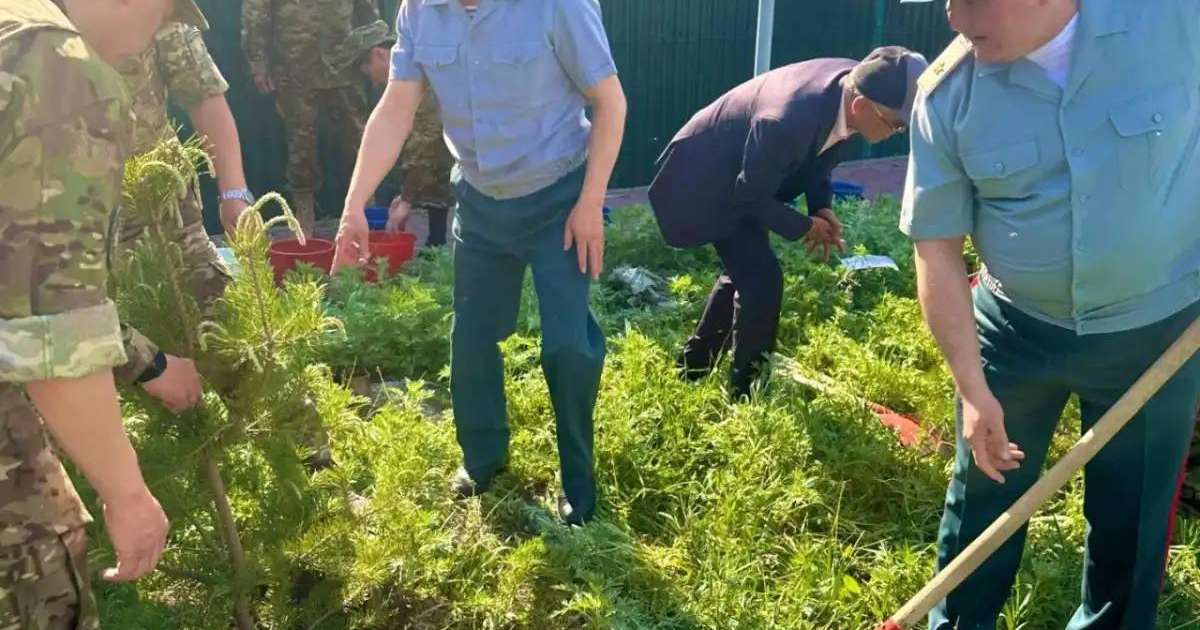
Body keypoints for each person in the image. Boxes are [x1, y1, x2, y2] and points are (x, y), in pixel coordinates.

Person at [898, 0, 1200, 627]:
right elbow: (937, 252)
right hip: (1012, 339)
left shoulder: (1174, 22)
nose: (954, 18)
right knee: (983, 497)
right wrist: (973, 388)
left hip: (1155, 334)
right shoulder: (947, 95)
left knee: (1133, 517)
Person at [332, 0, 626, 525]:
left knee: (568, 347)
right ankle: (484, 461)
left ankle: (579, 487)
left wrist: (590, 203)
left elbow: (610, 101)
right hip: (480, 199)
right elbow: (397, 106)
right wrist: (355, 203)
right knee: (471, 339)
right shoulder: (420, 10)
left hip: (558, 197)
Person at [0, 0, 207, 624]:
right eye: (162, 14)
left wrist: (148, 362)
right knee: (41, 572)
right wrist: (127, 493)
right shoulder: (56, 66)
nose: (146, 45)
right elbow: (49, 324)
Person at [648, 47, 927, 400]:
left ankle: (692, 370)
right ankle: (747, 398)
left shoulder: (851, 88)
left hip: (743, 177)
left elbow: (822, 151)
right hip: (703, 180)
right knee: (763, 280)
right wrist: (805, 226)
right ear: (861, 106)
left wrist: (821, 207)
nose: (898, 132)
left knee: (747, 272)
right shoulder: (787, 119)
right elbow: (749, 196)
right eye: (897, 124)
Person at [112, 15, 250, 410]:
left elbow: (203, 95)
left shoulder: (148, 8)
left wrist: (234, 192)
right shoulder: (25, 24)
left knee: (228, 337)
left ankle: (312, 461)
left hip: (166, 216)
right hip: (71, 228)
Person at [241, 0, 382, 234]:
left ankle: (367, 204)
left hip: (345, 58)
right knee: (300, 140)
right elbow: (257, 10)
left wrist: (377, 47)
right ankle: (304, 211)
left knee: (357, 135)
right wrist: (258, 62)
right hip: (294, 60)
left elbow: (367, 7)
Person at [327, 19, 455, 248]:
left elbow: (426, 141)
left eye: (363, 67)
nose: (366, 75)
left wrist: (406, 200)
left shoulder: (417, 74)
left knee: (431, 157)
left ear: (378, 55)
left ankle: (440, 244)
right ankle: (436, 240)